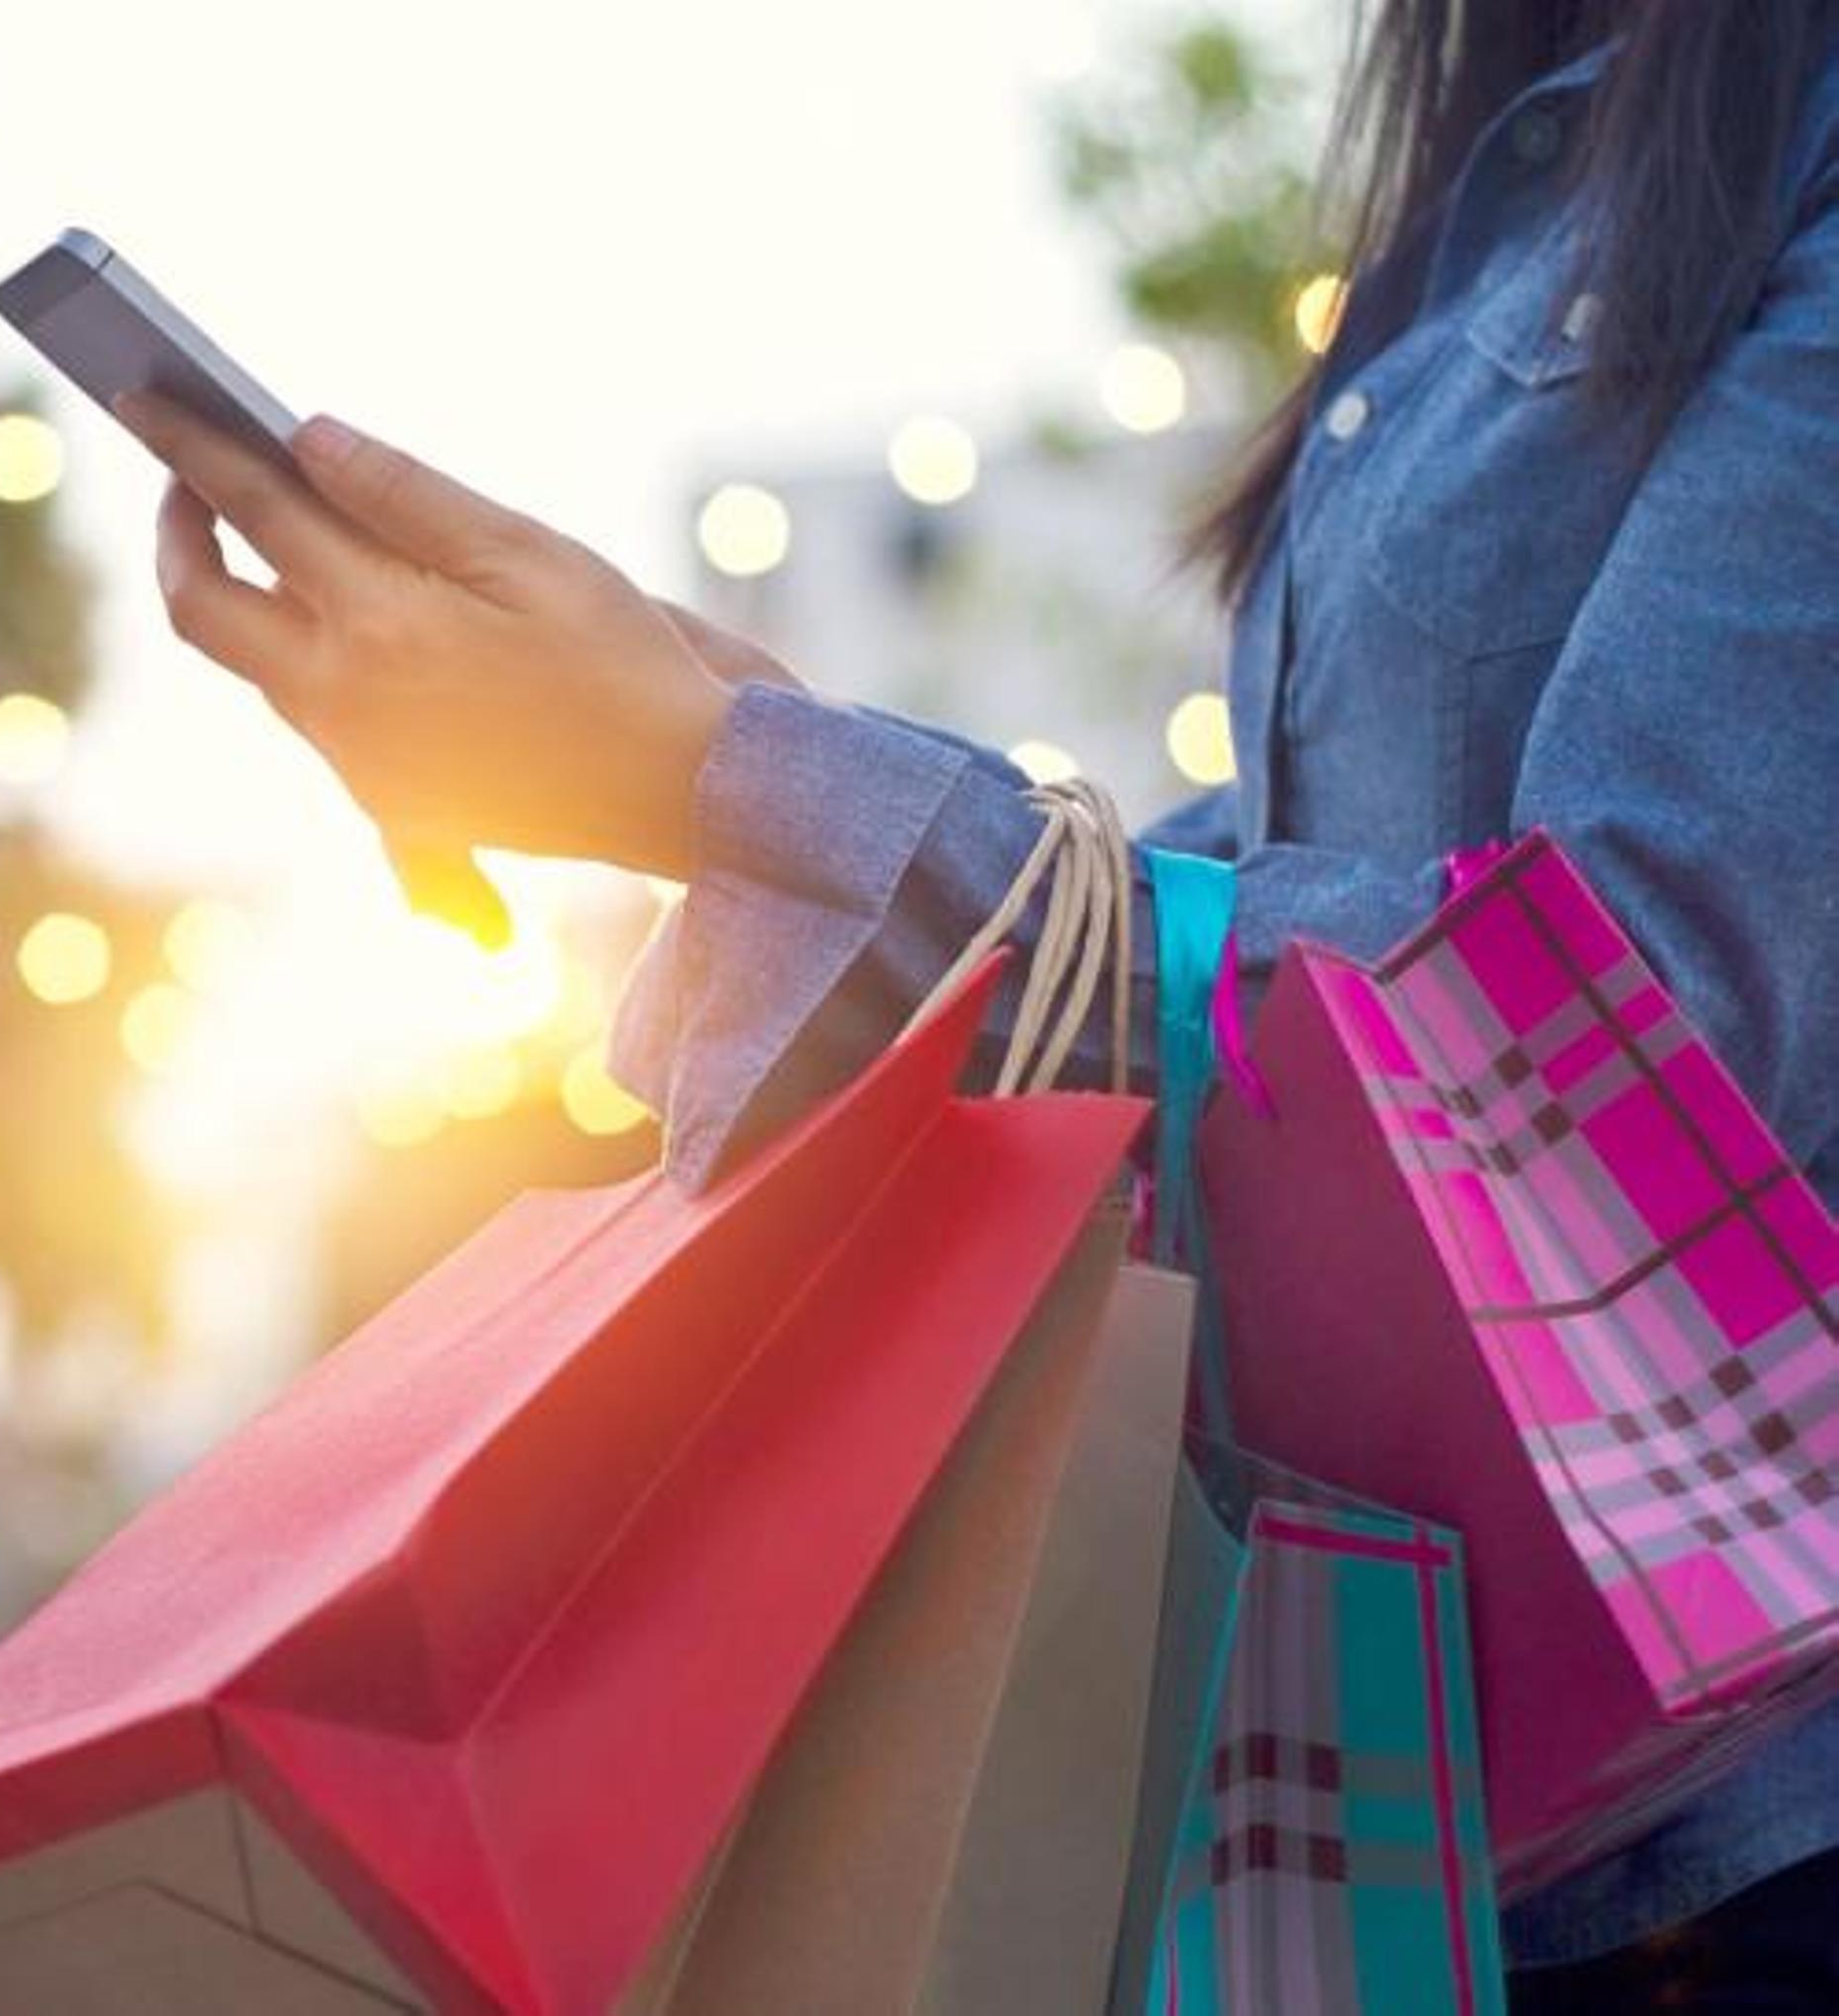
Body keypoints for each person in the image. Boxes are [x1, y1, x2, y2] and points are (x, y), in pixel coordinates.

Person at [115, 2, 1839, 2004]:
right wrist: (738, 745)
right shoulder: (1531, 175)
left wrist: (732, 778)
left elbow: (1632, 999)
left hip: (1736, 1847)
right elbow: (1263, 878)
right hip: (1422, 1801)